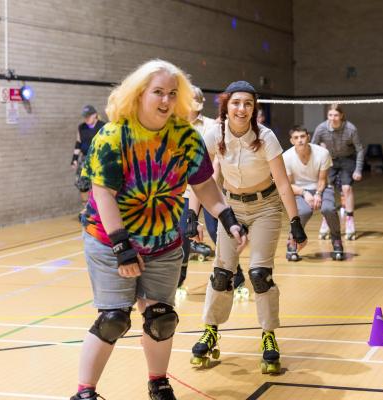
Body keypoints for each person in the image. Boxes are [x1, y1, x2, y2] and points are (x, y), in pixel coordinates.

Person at [72, 60, 248, 400]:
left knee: (161, 319)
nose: (166, 100)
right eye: (158, 93)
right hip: (110, 239)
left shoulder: (185, 137)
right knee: (113, 319)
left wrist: (227, 217)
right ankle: (84, 392)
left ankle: (158, 383)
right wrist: (122, 248)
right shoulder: (113, 136)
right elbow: (102, 194)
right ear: (138, 95)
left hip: (164, 242)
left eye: (172, 93)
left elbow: (204, 185)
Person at [188, 81, 307, 374]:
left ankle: (268, 335)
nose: (242, 109)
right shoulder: (214, 135)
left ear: (254, 109)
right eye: (236, 103)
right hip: (230, 209)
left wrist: (295, 222)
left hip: (265, 207)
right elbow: (201, 179)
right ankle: (211, 330)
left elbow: (281, 182)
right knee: (221, 274)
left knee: (259, 275)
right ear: (226, 106)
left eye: (248, 104)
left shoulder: (266, 138)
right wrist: (191, 215)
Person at [177, 86, 247, 298]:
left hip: (209, 189)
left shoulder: (211, 126)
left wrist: (203, 196)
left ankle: (237, 278)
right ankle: (177, 283)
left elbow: (214, 166)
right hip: (184, 192)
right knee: (182, 236)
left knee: (219, 233)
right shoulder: (176, 126)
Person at [283, 126, 344, 261]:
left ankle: (336, 241)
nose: (300, 140)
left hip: (321, 188)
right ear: (291, 141)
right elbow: (287, 185)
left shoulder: (322, 153)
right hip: (299, 190)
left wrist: (317, 193)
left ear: (308, 137)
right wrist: (304, 193)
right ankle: (293, 240)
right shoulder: (286, 157)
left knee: (329, 209)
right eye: (296, 138)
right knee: (303, 212)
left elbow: (322, 179)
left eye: (303, 137)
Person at [311, 104, 364, 240]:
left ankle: (350, 220)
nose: (333, 118)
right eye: (330, 115)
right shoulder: (321, 128)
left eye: (335, 115)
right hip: (330, 160)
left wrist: (358, 169)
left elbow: (360, 149)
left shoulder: (350, 129)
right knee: (326, 189)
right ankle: (326, 220)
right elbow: (313, 147)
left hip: (347, 160)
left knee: (346, 188)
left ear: (341, 116)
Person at [72, 105, 105, 216]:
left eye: (88, 116)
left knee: (98, 184)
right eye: (84, 117)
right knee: (82, 184)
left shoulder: (103, 126)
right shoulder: (81, 127)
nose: (86, 119)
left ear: (95, 115)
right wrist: (74, 159)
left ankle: (99, 209)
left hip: (99, 158)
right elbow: (78, 143)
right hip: (85, 158)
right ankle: (86, 208)